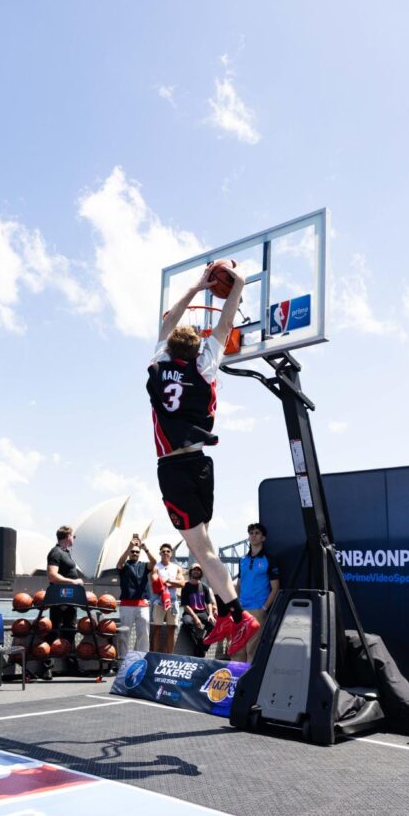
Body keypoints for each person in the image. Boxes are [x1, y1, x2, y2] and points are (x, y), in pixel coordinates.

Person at [147, 261, 260, 657]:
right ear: (196, 345)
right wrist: (240, 284)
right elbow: (225, 325)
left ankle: (237, 614)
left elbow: (170, 317)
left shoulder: (159, 364)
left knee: (201, 550)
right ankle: (229, 612)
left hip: (175, 467)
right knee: (205, 545)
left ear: (169, 343)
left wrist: (197, 286)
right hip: (201, 465)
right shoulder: (205, 364)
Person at [236, 523, 280, 662]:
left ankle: (250, 683)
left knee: (252, 649)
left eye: (257, 533)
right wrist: (235, 607)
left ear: (263, 538)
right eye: (251, 533)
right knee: (238, 649)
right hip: (241, 609)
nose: (253, 535)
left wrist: (264, 608)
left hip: (257, 609)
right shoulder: (242, 560)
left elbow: (276, 588)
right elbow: (238, 585)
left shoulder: (269, 559)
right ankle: (238, 682)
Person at [45, 524, 84, 679]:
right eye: (73, 536)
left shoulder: (65, 553)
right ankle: (46, 666)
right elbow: (52, 576)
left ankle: (71, 666)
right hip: (60, 598)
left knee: (70, 631)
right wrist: (73, 582)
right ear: (67, 537)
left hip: (70, 599)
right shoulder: (55, 552)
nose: (73, 539)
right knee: (54, 631)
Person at [116, 534, 156, 657]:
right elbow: (119, 563)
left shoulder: (144, 565)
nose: (134, 553)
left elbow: (154, 562)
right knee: (124, 634)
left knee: (143, 634)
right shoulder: (124, 565)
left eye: (136, 552)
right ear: (129, 553)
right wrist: (129, 546)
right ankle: (122, 660)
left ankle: (142, 658)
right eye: (132, 552)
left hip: (142, 605)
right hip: (126, 605)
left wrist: (145, 549)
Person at [149, 542, 185, 653]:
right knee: (156, 629)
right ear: (160, 553)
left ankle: (170, 656)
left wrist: (167, 581)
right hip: (158, 602)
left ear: (171, 553)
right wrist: (173, 583)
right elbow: (155, 582)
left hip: (173, 602)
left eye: (168, 551)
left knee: (171, 629)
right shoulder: (156, 567)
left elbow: (182, 583)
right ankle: (154, 655)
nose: (165, 553)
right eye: (163, 551)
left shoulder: (177, 568)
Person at [180, 563, 216, 655]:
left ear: (201, 573)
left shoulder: (204, 587)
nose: (196, 571)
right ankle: (199, 645)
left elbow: (209, 602)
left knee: (214, 625)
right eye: (194, 570)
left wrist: (211, 614)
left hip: (202, 612)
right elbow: (185, 605)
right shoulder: (186, 587)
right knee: (187, 623)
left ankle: (203, 645)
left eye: (198, 570)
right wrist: (195, 617)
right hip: (190, 613)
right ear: (191, 572)